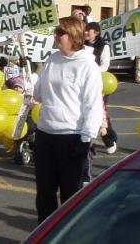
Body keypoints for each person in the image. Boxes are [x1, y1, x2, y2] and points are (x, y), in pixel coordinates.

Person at [33, 17, 103, 224]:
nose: (56, 36)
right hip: (46, 133)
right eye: (56, 32)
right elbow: (40, 94)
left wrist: (86, 138)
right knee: (44, 193)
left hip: (71, 137)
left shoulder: (87, 66)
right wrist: (31, 83)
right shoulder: (52, 60)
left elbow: (93, 105)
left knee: (69, 195)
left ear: (73, 36)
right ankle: (44, 234)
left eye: (60, 32)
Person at [84, 22, 117, 156]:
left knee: (100, 112)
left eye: (88, 31)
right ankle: (87, 142)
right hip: (84, 82)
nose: (85, 33)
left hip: (99, 83)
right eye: (85, 31)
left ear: (96, 33)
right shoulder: (82, 45)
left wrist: (93, 71)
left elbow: (105, 65)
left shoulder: (103, 46)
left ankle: (109, 140)